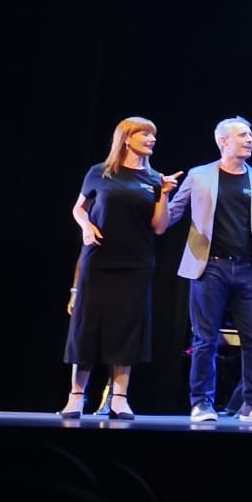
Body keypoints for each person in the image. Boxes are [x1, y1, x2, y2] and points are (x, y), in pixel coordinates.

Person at [61, 117, 181, 421]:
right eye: (145, 134)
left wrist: (165, 193)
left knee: (127, 329)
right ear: (127, 139)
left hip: (136, 263)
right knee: (87, 327)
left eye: (153, 135)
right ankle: (76, 397)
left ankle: (119, 399)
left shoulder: (155, 179)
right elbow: (78, 208)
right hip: (98, 260)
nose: (152, 139)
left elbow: (160, 227)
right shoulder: (100, 172)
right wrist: (86, 226)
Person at [163, 116, 252, 424]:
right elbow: (172, 215)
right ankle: (202, 403)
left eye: (251, 135)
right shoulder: (200, 175)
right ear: (223, 141)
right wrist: (158, 199)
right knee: (205, 339)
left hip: (248, 270)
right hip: (208, 267)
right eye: (242, 135)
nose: (249, 139)